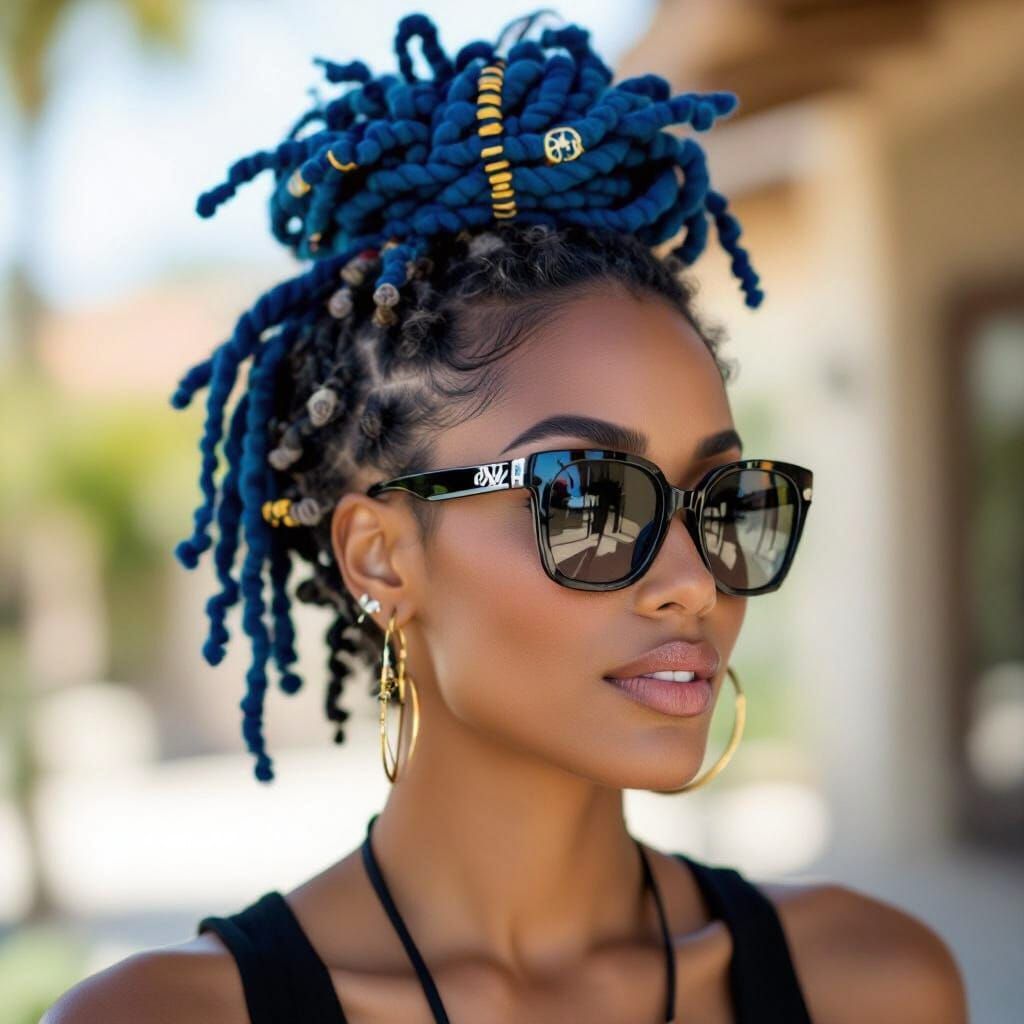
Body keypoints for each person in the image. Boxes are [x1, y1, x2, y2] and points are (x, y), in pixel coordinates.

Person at [44, 9, 967, 1023]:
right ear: (381, 555)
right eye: (589, 497)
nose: (696, 579)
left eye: (717, 500)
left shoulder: (871, 985)